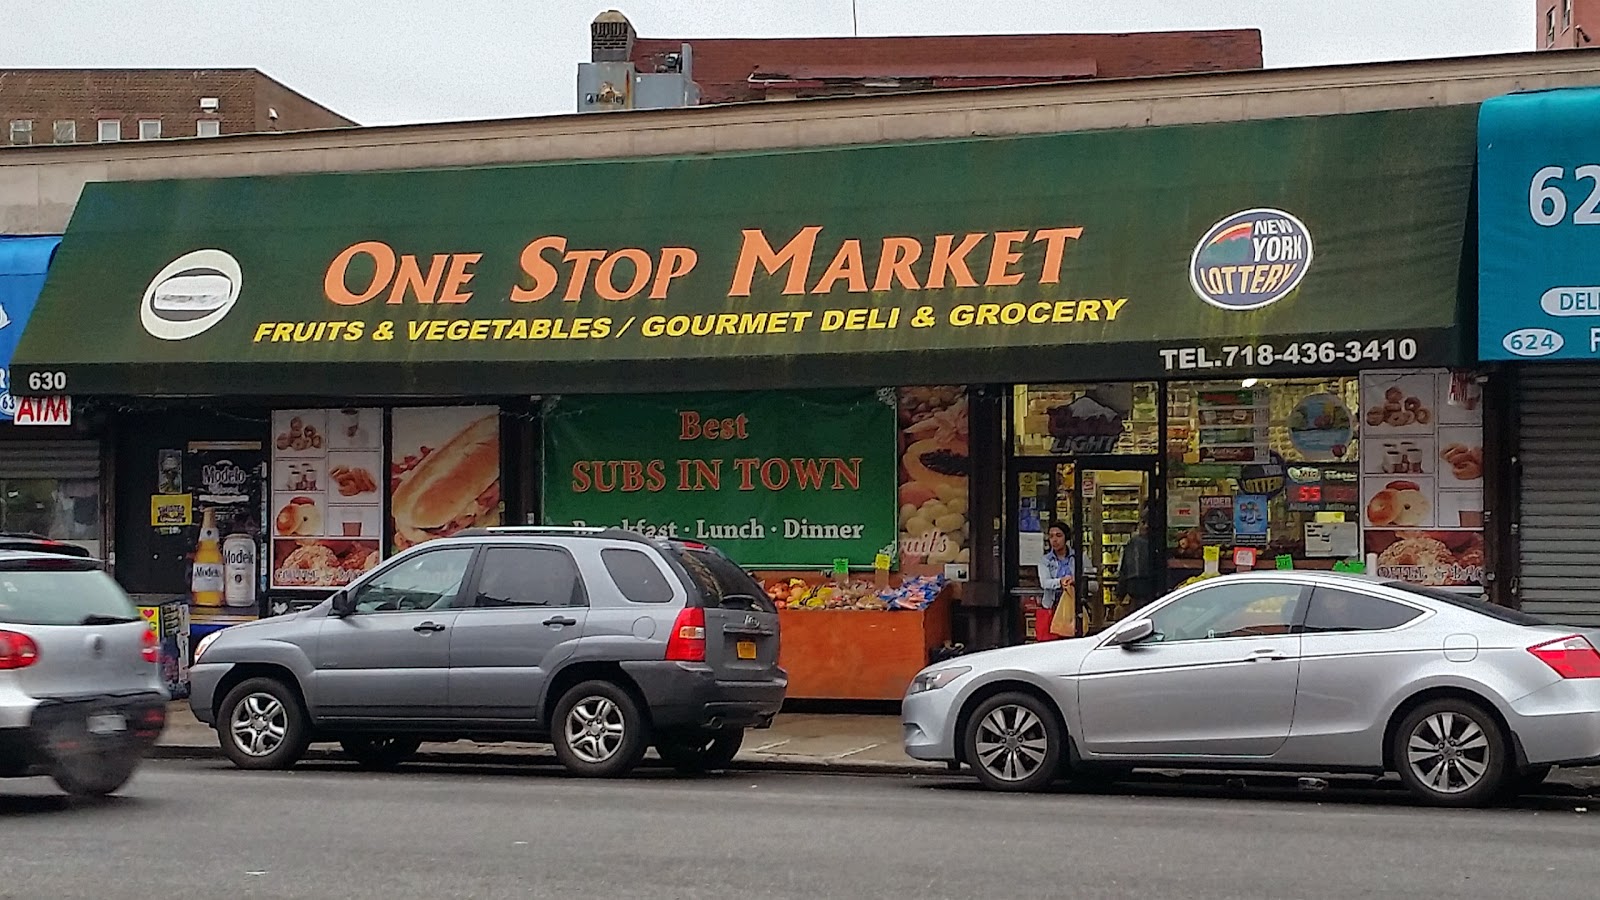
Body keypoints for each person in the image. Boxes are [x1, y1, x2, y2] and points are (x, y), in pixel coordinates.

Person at [1036, 520, 1075, 641]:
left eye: (1059, 536)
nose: (1054, 540)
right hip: (1052, 606)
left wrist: (1076, 581)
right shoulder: (1045, 560)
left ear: (1066, 538)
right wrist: (1061, 581)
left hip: (1073, 608)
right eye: (1051, 536)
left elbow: (1093, 584)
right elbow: (1044, 582)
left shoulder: (1078, 557)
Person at [1116, 511, 1158, 611]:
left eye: (1148, 523)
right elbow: (1125, 569)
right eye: (1143, 523)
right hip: (1146, 590)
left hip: (1136, 590)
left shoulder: (1134, 543)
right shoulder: (1136, 543)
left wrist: (1119, 595)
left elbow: (1124, 571)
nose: (1146, 526)